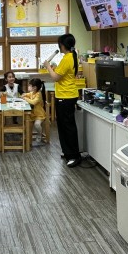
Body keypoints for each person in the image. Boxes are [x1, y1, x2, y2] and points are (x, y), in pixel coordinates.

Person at [43, 33, 81, 167]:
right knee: (63, 126)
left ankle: (74, 155)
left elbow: (55, 78)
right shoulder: (71, 56)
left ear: (62, 45)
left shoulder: (67, 58)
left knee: (68, 127)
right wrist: (53, 69)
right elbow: (61, 74)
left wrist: (48, 66)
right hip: (66, 95)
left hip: (66, 96)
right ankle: (68, 152)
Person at [21, 78, 47, 144]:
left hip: (39, 115)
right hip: (32, 114)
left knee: (37, 124)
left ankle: (39, 134)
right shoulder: (32, 93)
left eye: (30, 85)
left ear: (34, 87)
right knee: (26, 122)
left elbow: (33, 102)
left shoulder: (38, 94)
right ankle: (27, 136)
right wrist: (24, 94)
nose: (28, 87)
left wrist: (25, 98)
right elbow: (28, 94)